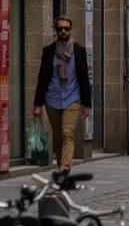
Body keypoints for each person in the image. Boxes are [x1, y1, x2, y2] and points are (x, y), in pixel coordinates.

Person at [33, 16, 91, 173]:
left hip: (73, 97)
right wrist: (37, 104)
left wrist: (87, 104)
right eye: (60, 29)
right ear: (56, 31)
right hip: (52, 98)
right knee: (58, 136)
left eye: (66, 28)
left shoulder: (79, 50)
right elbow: (42, 77)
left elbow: (84, 78)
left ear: (71, 30)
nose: (63, 31)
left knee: (67, 133)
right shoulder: (49, 51)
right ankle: (61, 165)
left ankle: (65, 167)